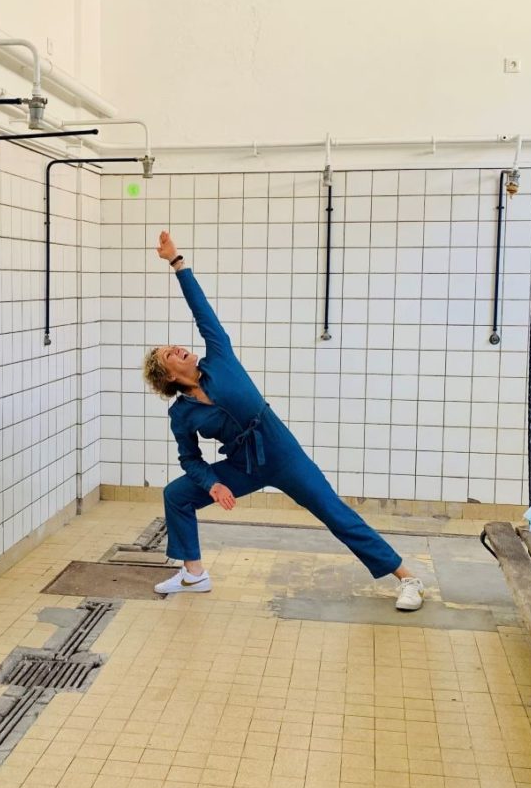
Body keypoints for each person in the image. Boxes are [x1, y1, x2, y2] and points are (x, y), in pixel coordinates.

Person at [142, 231, 425, 611]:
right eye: (168, 355)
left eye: (173, 345)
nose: (177, 347)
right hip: (242, 464)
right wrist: (212, 485)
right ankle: (194, 574)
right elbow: (190, 459)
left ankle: (408, 578)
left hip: (281, 451)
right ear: (170, 377)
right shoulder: (182, 413)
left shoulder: (219, 358)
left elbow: (202, 311)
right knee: (176, 494)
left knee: (333, 512)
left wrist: (178, 264)